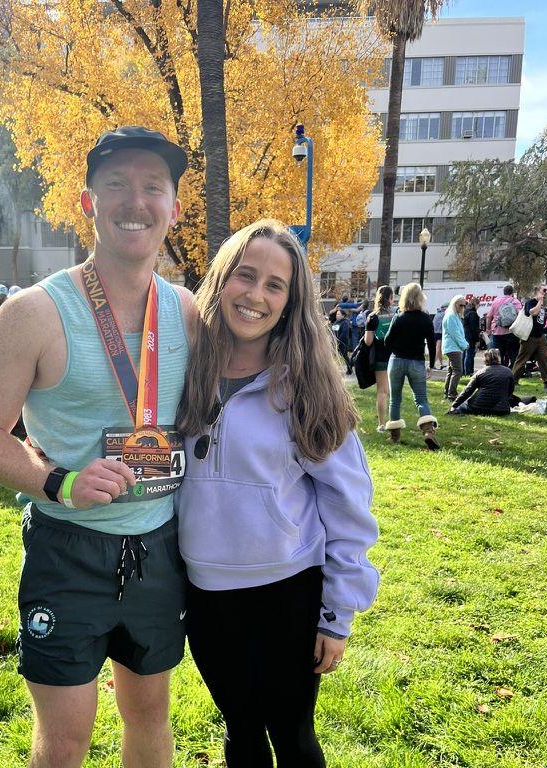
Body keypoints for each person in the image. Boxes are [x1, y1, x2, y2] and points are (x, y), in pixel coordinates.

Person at [0, 126, 196, 768]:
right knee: (65, 740)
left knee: (149, 716)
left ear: (174, 206)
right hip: (68, 549)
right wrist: (59, 481)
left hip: (158, 546)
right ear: (88, 202)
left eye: (153, 187)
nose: (135, 202)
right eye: (116, 184)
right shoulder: (33, 313)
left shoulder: (187, 312)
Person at [176, 219, 379, 768]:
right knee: (240, 731)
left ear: (291, 302)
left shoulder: (307, 386)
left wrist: (336, 615)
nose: (256, 296)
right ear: (222, 280)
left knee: (292, 737)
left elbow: (349, 508)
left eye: (275, 285)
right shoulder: (182, 371)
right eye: (245, 276)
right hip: (207, 596)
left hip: (288, 593)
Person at [383, 282, 438, 448]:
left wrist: (397, 349)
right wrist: (431, 364)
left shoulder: (399, 317)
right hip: (417, 362)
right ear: (420, 298)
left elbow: (387, 341)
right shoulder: (426, 318)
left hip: (397, 360)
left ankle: (395, 436)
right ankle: (428, 432)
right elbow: (432, 343)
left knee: (395, 399)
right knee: (421, 398)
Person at [364, 285, 395, 432]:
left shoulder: (372, 317)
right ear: (390, 298)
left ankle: (381, 424)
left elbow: (368, 341)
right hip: (395, 356)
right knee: (393, 391)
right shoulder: (396, 315)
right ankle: (394, 421)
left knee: (382, 391)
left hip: (380, 357)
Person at [448, 348, 514, 416]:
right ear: (499, 358)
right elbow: (510, 391)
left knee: (462, 405)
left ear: (485, 359)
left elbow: (467, 391)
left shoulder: (480, 372)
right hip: (502, 409)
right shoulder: (508, 372)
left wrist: (454, 405)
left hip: (478, 407)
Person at [512, 284, 547, 390]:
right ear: (538, 291)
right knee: (522, 359)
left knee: (543, 359)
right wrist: (539, 301)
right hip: (529, 337)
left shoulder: (542, 304)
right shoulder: (530, 302)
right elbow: (533, 313)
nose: (546, 292)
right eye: (544, 290)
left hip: (540, 337)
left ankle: (546, 382)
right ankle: (512, 381)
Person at [441, 295, 469, 401]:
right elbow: (455, 333)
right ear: (455, 304)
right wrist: (464, 345)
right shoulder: (451, 316)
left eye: (464, 305)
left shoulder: (453, 315)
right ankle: (452, 394)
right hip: (453, 347)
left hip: (452, 347)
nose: (463, 307)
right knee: (458, 371)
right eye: (461, 305)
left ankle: (447, 392)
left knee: (452, 370)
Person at [488, 285, 521, 368]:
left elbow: (489, 316)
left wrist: (488, 329)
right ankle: (514, 372)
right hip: (511, 332)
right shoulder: (515, 301)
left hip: (497, 332)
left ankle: (499, 372)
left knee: (498, 356)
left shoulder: (496, 301)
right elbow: (520, 315)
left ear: (504, 292)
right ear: (512, 293)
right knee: (513, 354)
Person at [462, 297, 481, 375]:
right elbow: (474, 328)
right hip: (471, 337)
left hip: (465, 335)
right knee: (470, 354)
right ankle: (469, 371)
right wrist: (477, 340)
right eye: (479, 304)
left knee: (464, 354)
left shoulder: (465, 311)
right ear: (476, 304)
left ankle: (463, 371)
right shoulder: (473, 314)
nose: (479, 306)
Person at [331, 308, 352, 374]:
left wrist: (338, 341)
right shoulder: (336, 322)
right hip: (334, 343)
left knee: (344, 356)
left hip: (342, 343)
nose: (337, 316)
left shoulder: (345, 323)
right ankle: (332, 370)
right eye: (336, 314)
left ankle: (349, 369)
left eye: (338, 314)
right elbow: (332, 331)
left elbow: (344, 334)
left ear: (343, 315)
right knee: (332, 356)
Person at [432, 303, 446, 370]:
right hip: (440, 333)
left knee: (438, 349)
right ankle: (432, 364)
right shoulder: (444, 314)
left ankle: (441, 364)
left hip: (434, 332)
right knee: (438, 349)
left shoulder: (437, 313)